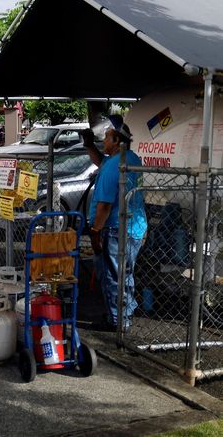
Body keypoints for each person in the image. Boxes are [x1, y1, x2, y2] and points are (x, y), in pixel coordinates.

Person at [82, 115, 147, 332]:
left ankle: (118, 320)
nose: (104, 140)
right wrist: (89, 145)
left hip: (116, 229)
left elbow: (104, 206)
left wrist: (95, 232)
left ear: (117, 140)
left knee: (114, 275)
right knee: (123, 273)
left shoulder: (114, 167)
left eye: (107, 137)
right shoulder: (130, 158)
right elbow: (101, 161)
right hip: (132, 227)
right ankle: (123, 313)